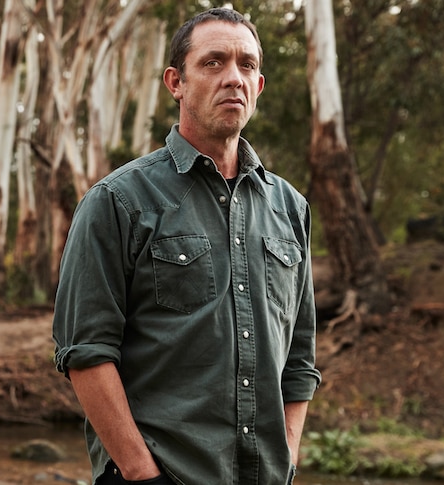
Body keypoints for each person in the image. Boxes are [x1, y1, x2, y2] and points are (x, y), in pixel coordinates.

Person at [52, 7, 322, 485]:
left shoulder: (290, 208)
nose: (234, 78)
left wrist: (288, 458)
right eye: (214, 62)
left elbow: (299, 359)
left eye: (247, 65)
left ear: (258, 86)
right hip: (160, 475)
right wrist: (141, 473)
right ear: (176, 82)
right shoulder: (118, 201)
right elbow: (86, 351)